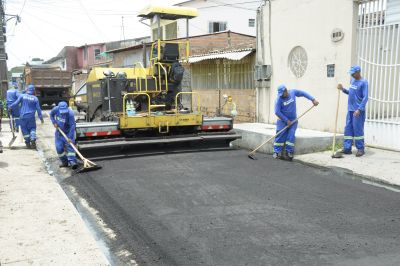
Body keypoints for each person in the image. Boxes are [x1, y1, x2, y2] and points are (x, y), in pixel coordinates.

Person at [273, 84, 319, 160]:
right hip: (282, 121)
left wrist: (313, 99)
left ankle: (289, 153)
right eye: (280, 94)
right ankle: (277, 153)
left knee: (291, 136)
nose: (281, 95)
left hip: (293, 120)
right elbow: (277, 112)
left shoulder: (293, 92)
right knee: (280, 136)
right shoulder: (279, 99)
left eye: (282, 93)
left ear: (286, 90)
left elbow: (303, 93)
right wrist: (286, 120)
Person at [337, 65, 368, 157]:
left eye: (353, 73)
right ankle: (347, 148)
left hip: (358, 111)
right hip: (350, 109)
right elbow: (351, 93)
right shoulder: (353, 80)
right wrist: (343, 89)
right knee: (348, 129)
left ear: (358, 72)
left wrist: (359, 109)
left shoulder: (364, 82)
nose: (352, 75)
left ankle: (360, 149)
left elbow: (365, 98)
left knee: (358, 130)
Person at [8, 84, 43, 149]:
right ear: (33, 91)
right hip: (31, 117)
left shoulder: (22, 96)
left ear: (27, 90)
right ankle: (33, 139)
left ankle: (27, 142)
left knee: (24, 129)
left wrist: (10, 107)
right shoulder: (35, 98)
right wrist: (41, 118)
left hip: (23, 117)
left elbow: (16, 103)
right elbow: (38, 109)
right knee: (32, 128)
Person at [50, 101, 78, 169]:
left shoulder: (70, 113)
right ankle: (65, 162)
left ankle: (72, 162)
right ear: (59, 108)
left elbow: (72, 126)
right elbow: (51, 115)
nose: (63, 113)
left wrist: (70, 137)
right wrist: (54, 122)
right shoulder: (55, 109)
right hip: (59, 133)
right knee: (59, 148)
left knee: (70, 146)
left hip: (68, 132)